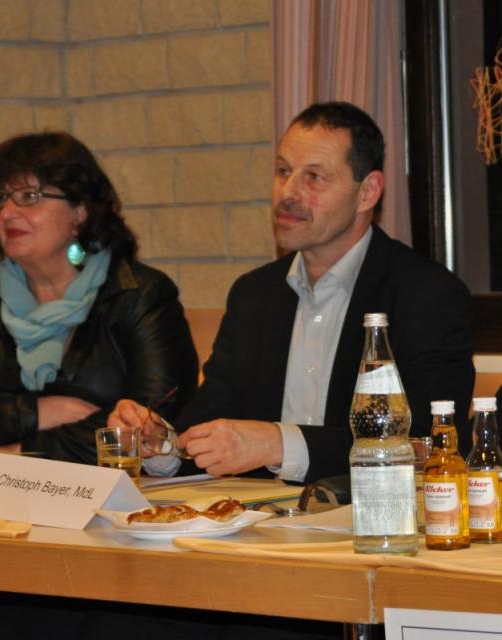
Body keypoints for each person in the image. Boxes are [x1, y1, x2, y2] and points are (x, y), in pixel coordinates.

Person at [110, 101, 476, 484]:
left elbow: (425, 443)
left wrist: (279, 445)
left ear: (367, 192)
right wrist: (162, 444)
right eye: (283, 171)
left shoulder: (428, 295)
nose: (288, 192)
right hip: (257, 517)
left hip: (365, 513)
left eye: (314, 177)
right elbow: (210, 426)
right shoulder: (253, 295)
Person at [0, 131, 198, 463]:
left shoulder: (140, 295)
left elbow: (149, 421)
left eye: (29, 196)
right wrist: (38, 412)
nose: (6, 213)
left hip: (118, 488)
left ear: (79, 211)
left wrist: (15, 453)